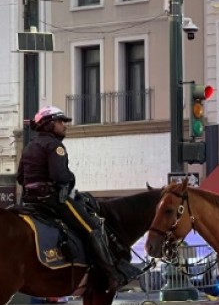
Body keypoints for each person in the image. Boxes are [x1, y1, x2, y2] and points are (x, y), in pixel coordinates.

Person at [16, 105, 139, 292]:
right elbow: (60, 176)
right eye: (60, 122)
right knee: (93, 228)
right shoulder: (55, 146)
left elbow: (20, 178)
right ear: (49, 124)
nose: (65, 126)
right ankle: (112, 275)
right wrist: (70, 178)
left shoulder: (30, 146)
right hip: (52, 199)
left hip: (31, 201)